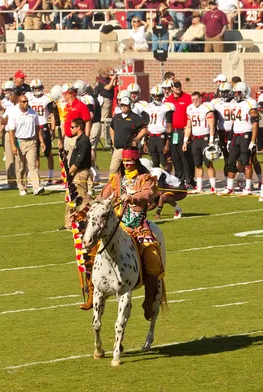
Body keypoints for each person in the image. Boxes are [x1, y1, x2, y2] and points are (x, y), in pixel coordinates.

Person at [98, 147, 163, 321]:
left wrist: (132, 198)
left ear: (136, 161)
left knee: (153, 258)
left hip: (139, 227)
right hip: (118, 227)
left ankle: (150, 300)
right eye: (124, 161)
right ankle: (93, 291)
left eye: (130, 161)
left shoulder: (145, 179)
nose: (126, 164)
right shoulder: (116, 179)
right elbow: (103, 196)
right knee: (92, 250)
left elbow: (148, 194)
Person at [6, 93, 46, 196]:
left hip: (31, 141)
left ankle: (36, 187)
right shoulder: (14, 114)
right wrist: (13, 145)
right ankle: (22, 187)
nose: (26, 103)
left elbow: (38, 128)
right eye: (24, 101)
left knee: (32, 165)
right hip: (20, 141)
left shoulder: (33, 113)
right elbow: (11, 131)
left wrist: (41, 141)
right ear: (19, 102)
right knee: (21, 167)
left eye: (27, 101)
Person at [182, 91, 216, 193]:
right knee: (197, 164)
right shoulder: (190, 108)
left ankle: (213, 187)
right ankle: (199, 186)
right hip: (195, 139)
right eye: (193, 100)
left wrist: (211, 141)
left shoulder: (206, 107)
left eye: (196, 99)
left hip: (205, 138)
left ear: (201, 98)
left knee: (208, 163)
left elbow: (212, 126)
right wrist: (185, 141)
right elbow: (188, 127)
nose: (195, 102)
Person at [65, 117, 92, 236]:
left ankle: (84, 222)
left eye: (72, 127)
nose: (70, 129)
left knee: (82, 198)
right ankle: (69, 223)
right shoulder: (79, 140)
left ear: (78, 127)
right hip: (76, 172)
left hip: (80, 173)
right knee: (72, 198)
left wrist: (69, 172)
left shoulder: (83, 141)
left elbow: (79, 161)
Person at [164, 80, 193, 186]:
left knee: (185, 156)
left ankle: (189, 180)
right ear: (171, 88)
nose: (178, 88)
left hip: (183, 130)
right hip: (173, 132)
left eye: (179, 86)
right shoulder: (168, 100)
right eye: (175, 87)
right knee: (175, 156)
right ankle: (179, 179)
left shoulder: (187, 98)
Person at [109, 96, 148, 174]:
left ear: (130, 105)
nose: (123, 107)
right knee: (113, 169)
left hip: (129, 149)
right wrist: (113, 141)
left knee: (130, 170)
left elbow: (144, 130)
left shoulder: (135, 117)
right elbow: (112, 128)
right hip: (118, 149)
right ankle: (113, 185)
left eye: (125, 105)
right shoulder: (116, 117)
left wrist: (136, 139)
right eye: (122, 105)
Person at [144, 86, 174, 168]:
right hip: (152, 136)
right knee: (155, 162)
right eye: (155, 96)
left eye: (159, 96)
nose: (157, 98)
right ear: (152, 96)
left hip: (161, 136)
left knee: (165, 161)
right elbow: (147, 125)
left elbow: (169, 126)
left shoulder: (166, 107)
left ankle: (166, 178)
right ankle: (157, 179)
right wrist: (145, 142)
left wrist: (167, 143)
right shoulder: (148, 107)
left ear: (162, 96)